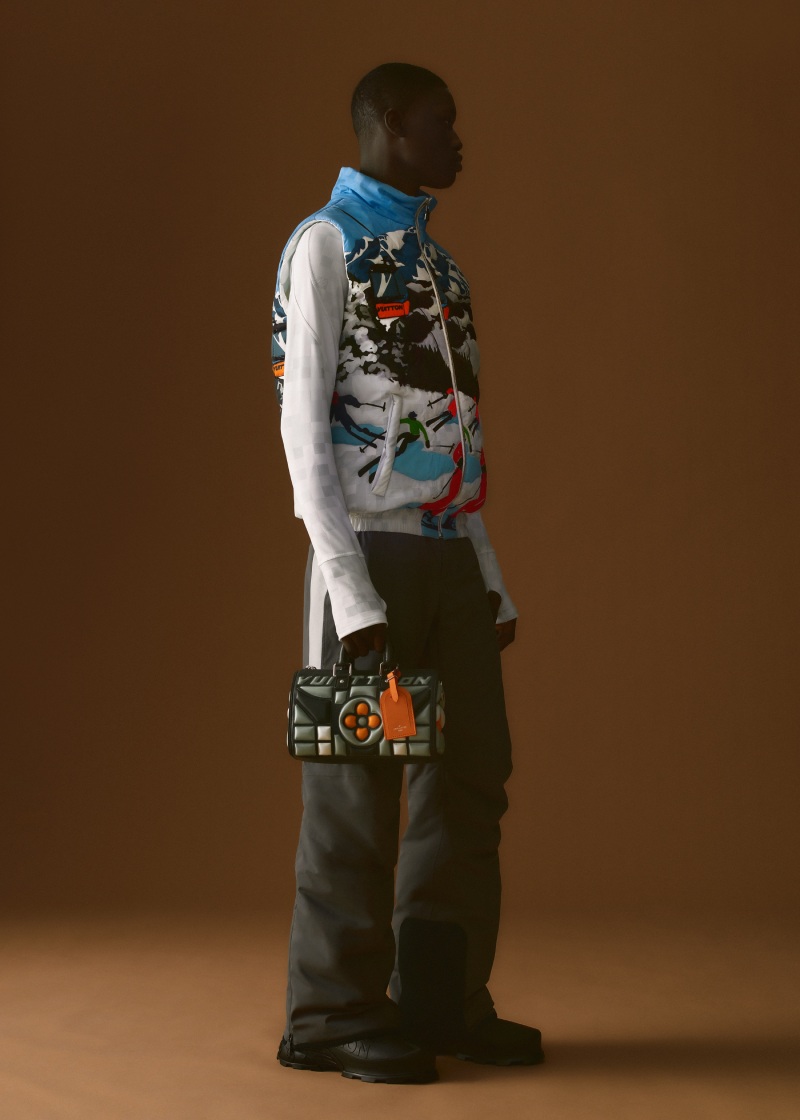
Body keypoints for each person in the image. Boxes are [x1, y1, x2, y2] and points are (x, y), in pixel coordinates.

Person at [271, 62, 543, 1085]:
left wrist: (488, 576)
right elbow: (304, 436)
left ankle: (439, 1000)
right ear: (390, 124)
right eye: (442, 123)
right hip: (367, 560)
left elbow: (451, 444)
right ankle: (330, 1013)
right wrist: (350, 594)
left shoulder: (440, 268)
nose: (457, 140)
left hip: (448, 559)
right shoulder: (325, 244)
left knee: (468, 781)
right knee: (358, 791)